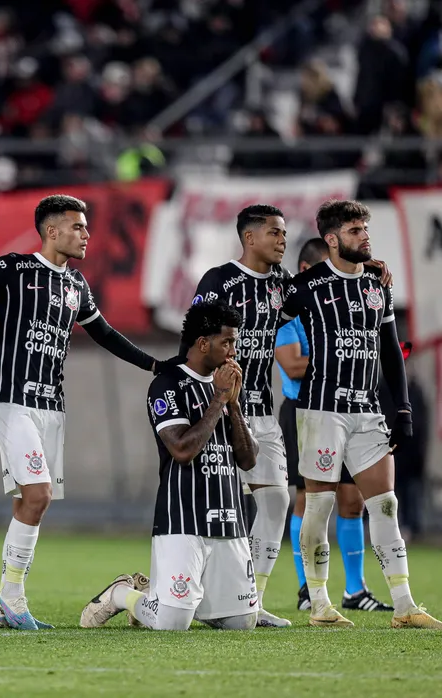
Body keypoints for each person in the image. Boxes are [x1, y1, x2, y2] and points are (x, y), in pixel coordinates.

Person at [0, 194, 180, 630]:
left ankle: (4, 606)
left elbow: (105, 333)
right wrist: (0, 338)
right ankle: (11, 599)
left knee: (30, 503)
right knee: (38, 495)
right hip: (13, 399)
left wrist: (154, 364)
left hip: (53, 405)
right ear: (52, 231)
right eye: (78, 227)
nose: (86, 234)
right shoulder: (13, 268)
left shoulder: (76, 286)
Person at [283, 199, 440, 628]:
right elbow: (266, 315)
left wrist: (403, 409)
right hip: (320, 410)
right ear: (331, 240)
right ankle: (319, 604)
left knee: (384, 506)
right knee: (318, 508)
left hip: (368, 409)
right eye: (355, 231)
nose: (365, 236)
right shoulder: (305, 286)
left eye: (365, 229)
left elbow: (391, 350)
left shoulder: (377, 284)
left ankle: (405, 605)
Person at [80, 300, 259, 631]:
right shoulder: (168, 384)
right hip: (182, 518)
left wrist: (233, 404)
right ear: (203, 343)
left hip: (227, 516)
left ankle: (171, 599)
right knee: (171, 624)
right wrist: (218, 400)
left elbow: (248, 458)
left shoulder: (226, 383)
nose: (234, 350)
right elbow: (181, 449)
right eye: (227, 342)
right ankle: (123, 594)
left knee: (242, 623)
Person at [188, 204, 292, 626]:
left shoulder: (283, 284)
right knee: (220, 508)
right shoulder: (219, 280)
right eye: (274, 233)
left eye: (284, 233)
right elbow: (191, 339)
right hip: (218, 412)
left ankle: (252, 599)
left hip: (262, 414)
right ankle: (191, 592)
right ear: (250, 238)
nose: (282, 240)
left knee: (276, 500)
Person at [276, 237, 392, 613]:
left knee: (353, 500)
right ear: (309, 271)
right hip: (304, 410)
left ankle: (355, 589)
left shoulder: (346, 305)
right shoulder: (291, 311)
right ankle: (306, 588)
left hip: (347, 410)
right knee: (308, 499)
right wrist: (341, 361)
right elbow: (293, 364)